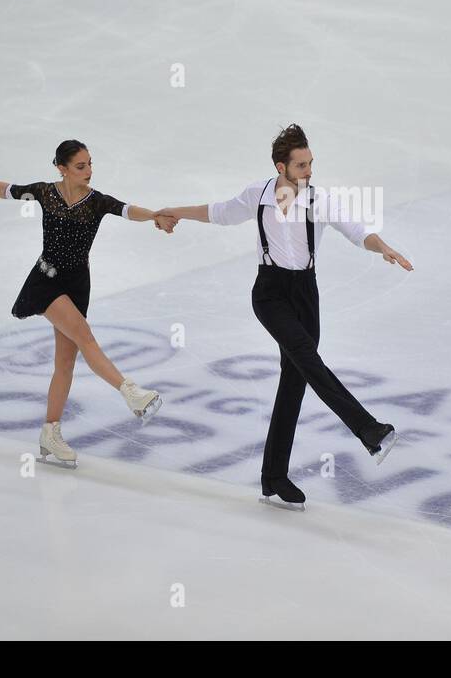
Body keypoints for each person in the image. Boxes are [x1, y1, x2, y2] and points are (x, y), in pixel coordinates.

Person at [156, 124, 413, 509]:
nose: (309, 170)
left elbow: (357, 232)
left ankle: (273, 478)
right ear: (282, 166)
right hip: (270, 293)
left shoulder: (319, 201)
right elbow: (219, 213)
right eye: (302, 165)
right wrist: (174, 211)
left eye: (311, 163)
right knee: (307, 359)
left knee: (294, 382)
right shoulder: (257, 195)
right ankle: (368, 429)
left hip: (306, 296)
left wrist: (383, 248)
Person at [0, 139, 173, 468]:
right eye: (81, 166)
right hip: (47, 280)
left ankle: (49, 434)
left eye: (90, 164)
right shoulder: (44, 192)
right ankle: (130, 391)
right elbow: (8, 189)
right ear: (62, 168)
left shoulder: (97, 202)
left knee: (65, 364)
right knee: (85, 335)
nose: (89, 171)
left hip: (78, 285)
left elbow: (127, 210)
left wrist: (154, 214)